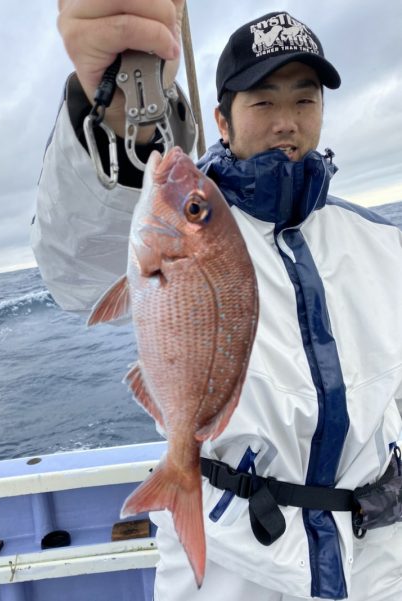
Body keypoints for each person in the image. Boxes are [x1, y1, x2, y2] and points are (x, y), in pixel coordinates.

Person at [31, 2, 402, 600]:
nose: (287, 121)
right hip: (233, 568)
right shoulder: (191, 221)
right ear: (222, 121)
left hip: (378, 560)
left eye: (304, 100)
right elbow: (79, 265)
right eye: (263, 101)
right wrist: (119, 112)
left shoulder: (385, 243)